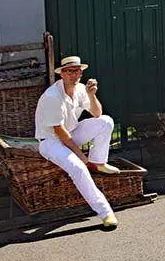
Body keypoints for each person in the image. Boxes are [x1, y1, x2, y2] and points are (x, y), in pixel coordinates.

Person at [34, 56, 120, 230]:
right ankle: (105, 213)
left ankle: (98, 162)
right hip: (50, 142)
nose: (75, 74)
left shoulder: (81, 89)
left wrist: (91, 95)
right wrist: (82, 157)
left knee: (106, 121)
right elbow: (61, 134)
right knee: (78, 168)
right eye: (71, 71)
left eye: (78, 71)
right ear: (62, 74)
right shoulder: (52, 97)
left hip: (71, 133)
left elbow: (97, 113)